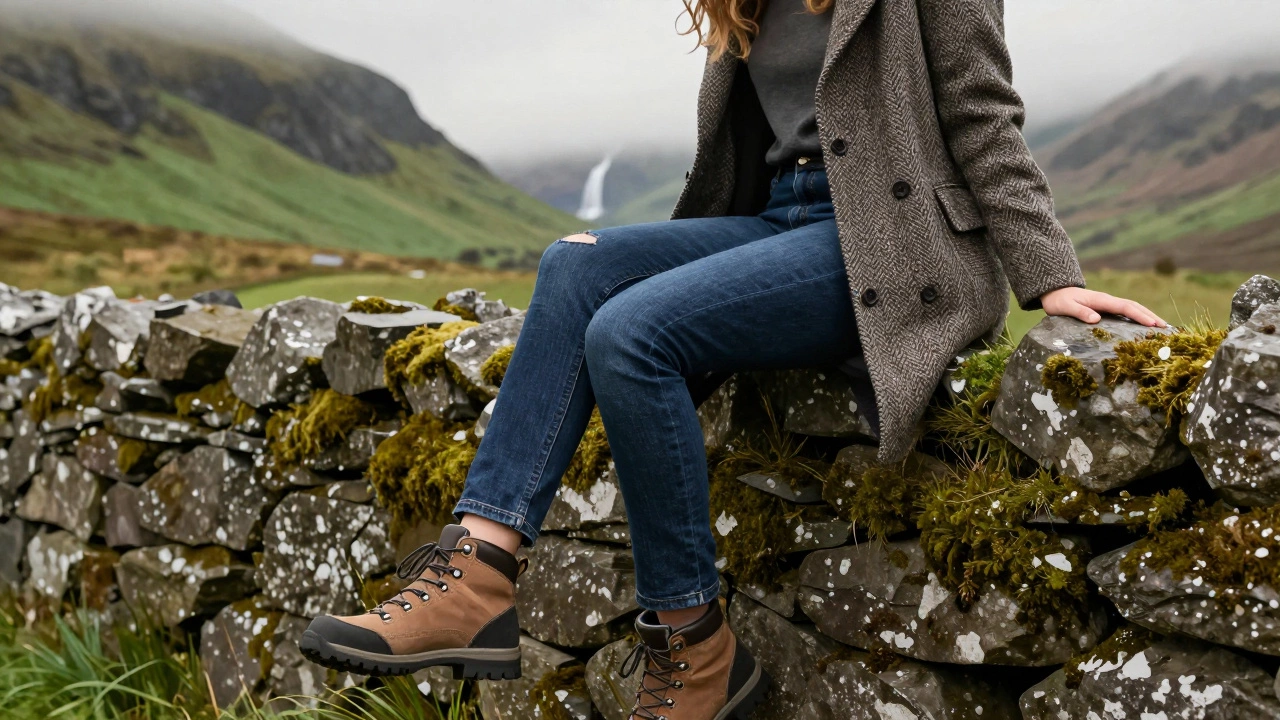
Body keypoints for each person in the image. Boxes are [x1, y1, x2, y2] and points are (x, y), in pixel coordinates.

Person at [300, 0, 1166, 717]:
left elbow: (983, 112)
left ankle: (693, 645)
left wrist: (1050, 276)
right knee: (574, 265)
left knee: (631, 334)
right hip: (780, 217)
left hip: (890, 241)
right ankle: (478, 577)